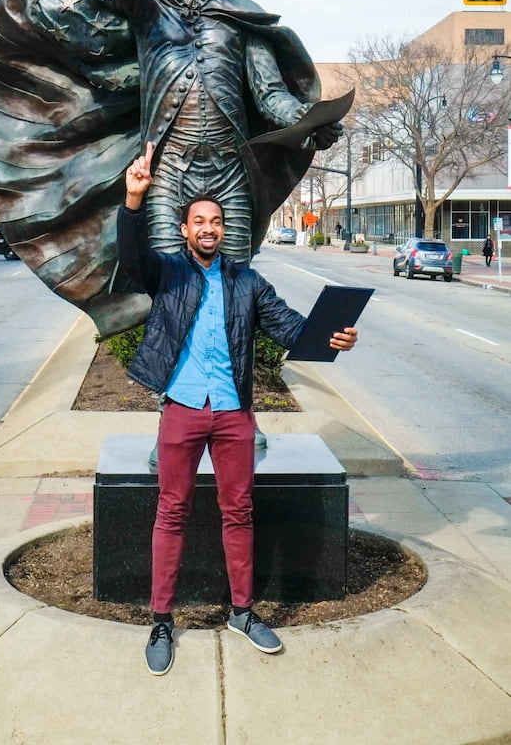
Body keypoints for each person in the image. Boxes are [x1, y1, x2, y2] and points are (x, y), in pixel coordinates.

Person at [118, 143, 358, 676]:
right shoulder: (169, 275)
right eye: (198, 221)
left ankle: (242, 612)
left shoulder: (247, 282)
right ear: (184, 230)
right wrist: (134, 200)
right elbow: (131, 259)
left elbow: (290, 327)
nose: (207, 228)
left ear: (224, 230)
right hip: (181, 409)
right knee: (172, 511)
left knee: (239, 512)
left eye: (215, 221)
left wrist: (332, 337)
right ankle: (162, 619)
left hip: (233, 415)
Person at [67, 0, 343, 264]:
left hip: (231, 170)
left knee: (233, 282)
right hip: (168, 167)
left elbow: (271, 96)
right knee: (166, 280)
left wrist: (310, 123)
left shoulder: (241, 14)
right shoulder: (147, 2)